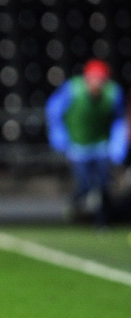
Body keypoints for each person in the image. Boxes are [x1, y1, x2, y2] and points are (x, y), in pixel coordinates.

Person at [46, 58, 127, 226]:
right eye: (94, 79)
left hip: (101, 145)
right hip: (78, 146)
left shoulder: (113, 94)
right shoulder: (73, 90)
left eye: (101, 79)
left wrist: (118, 145)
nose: (97, 83)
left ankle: (102, 221)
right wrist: (60, 138)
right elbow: (54, 112)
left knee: (104, 184)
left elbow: (119, 121)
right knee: (85, 184)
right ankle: (73, 206)